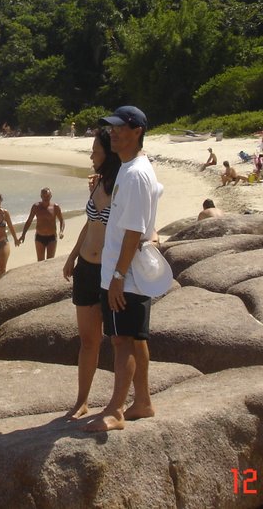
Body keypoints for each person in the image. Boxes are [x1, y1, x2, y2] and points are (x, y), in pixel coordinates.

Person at [85, 105, 162, 432]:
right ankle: (142, 401)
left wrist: (117, 277)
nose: (113, 132)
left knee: (122, 340)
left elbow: (133, 230)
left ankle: (116, 410)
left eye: (120, 128)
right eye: (111, 128)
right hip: (126, 272)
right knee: (135, 339)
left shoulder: (134, 174)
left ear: (137, 131)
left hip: (124, 274)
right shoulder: (133, 169)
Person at [62, 128, 122, 419]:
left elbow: (135, 227)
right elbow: (90, 225)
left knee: (119, 340)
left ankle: (118, 403)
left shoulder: (124, 184)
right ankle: (81, 401)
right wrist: (72, 257)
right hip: (86, 268)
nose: (91, 156)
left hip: (109, 270)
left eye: (95, 151)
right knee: (88, 341)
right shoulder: (97, 184)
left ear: (109, 154)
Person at [19, 187, 66, 261]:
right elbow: (29, 221)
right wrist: (23, 234)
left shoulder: (55, 207)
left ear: (51, 196)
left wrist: (61, 231)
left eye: (47, 196)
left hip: (52, 237)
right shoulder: (36, 207)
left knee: (50, 261)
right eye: (44, 196)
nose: (46, 198)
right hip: (39, 237)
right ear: (41, 196)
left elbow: (62, 220)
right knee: (40, 262)